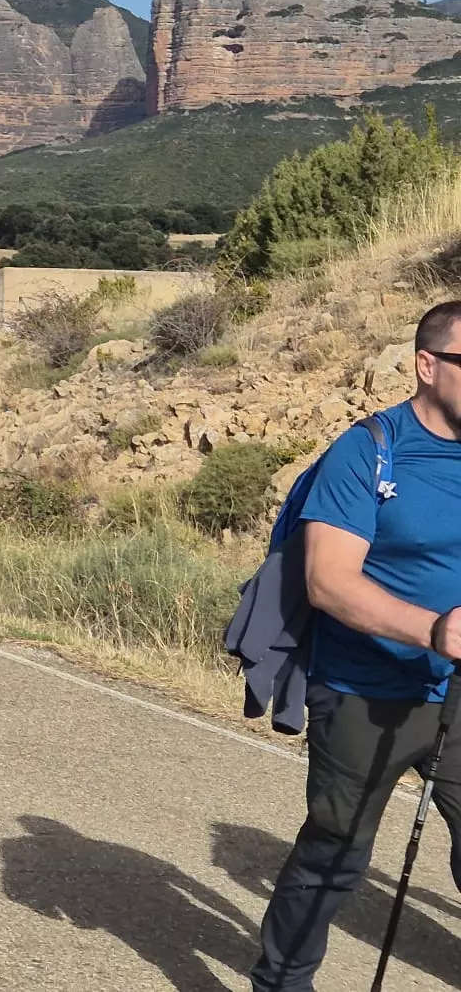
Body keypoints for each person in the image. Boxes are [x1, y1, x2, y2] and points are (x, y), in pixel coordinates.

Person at [247, 300, 461, 991]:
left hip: (456, 693)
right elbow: (328, 583)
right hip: (365, 689)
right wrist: (432, 629)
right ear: (428, 366)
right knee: (336, 855)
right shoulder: (367, 451)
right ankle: (280, 984)